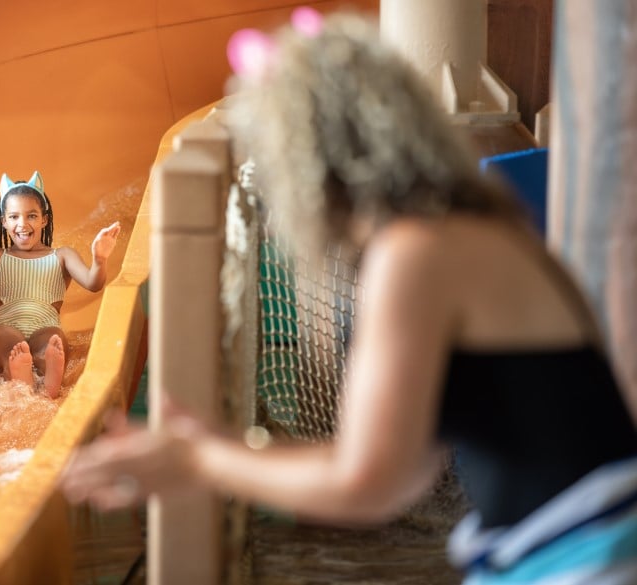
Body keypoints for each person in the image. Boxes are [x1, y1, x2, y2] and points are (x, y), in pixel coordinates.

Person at [62, 13, 637, 584]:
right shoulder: (462, 227)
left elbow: (367, 482)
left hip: (588, 557)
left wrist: (199, 460)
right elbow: (403, 473)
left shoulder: (416, 250)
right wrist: (217, 451)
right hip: (578, 543)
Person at [0, 171, 120, 398]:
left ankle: (46, 378)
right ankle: (23, 374)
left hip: (45, 326)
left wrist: (100, 259)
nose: (22, 224)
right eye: (14, 217)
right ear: (4, 221)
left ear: (44, 220)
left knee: (52, 342)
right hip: (6, 325)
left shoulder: (62, 256)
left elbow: (93, 283)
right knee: (5, 339)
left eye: (32, 216)